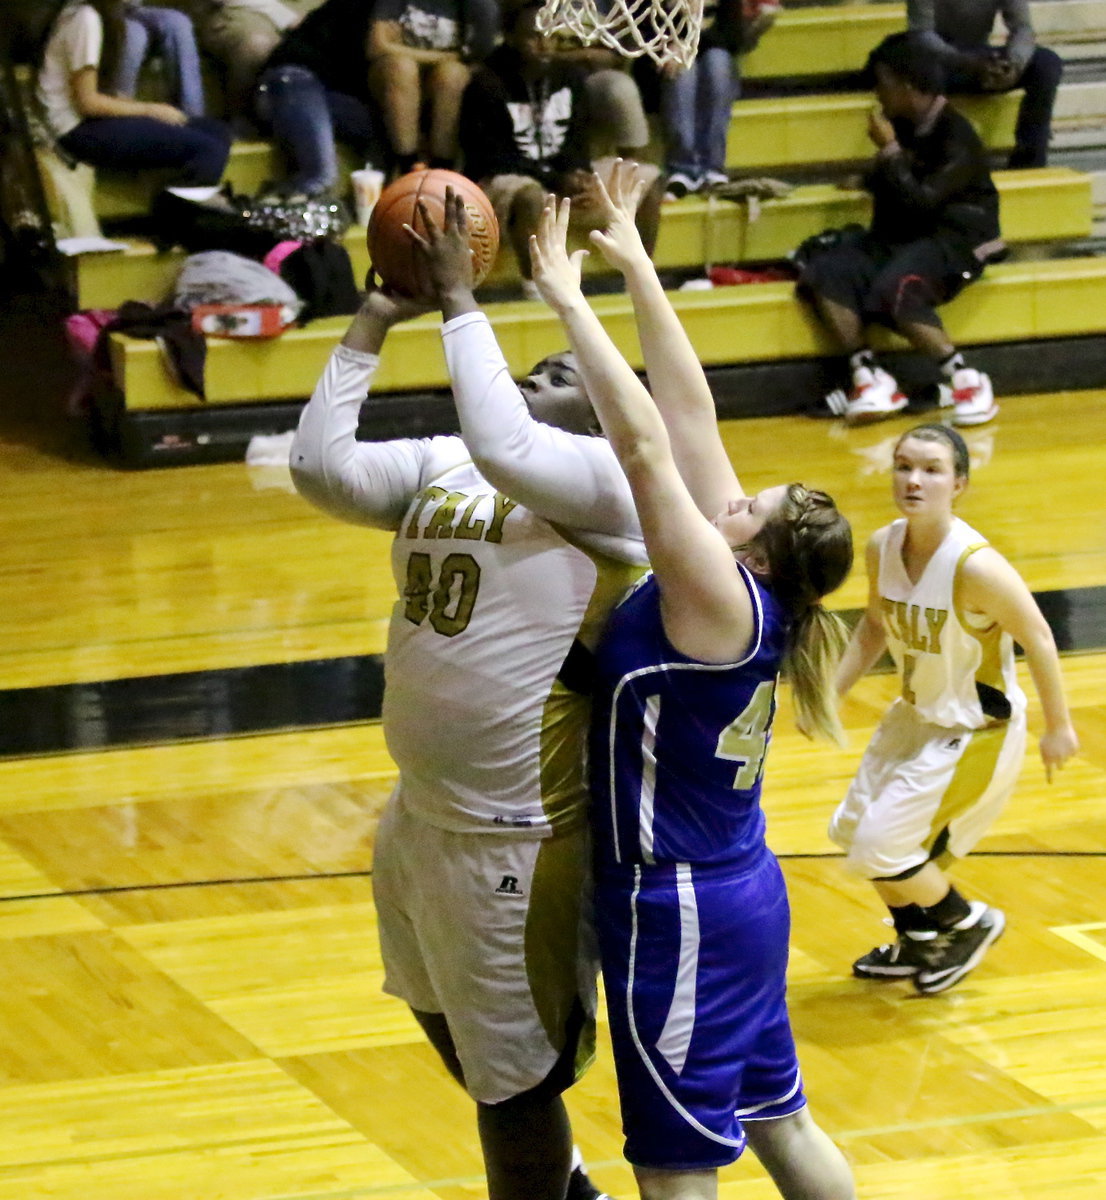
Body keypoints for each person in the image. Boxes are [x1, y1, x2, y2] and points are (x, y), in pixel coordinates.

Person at [288, 194, 647, 1200]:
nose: (540, 375)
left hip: (514, 833)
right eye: (538, 367)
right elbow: (320, 469)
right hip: (417, 814)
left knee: (514, 1083)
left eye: (567, 374)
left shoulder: (611, 482)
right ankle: (569, 1187)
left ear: (613, 414)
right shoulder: (451, 462)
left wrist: (457, 298)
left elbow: (506, 445)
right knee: (449, 1026)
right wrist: (373, 316)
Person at [526, 164, 858, 1200]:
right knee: (781, 1123)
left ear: (753, 552)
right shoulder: (752, 590)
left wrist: (567, 297)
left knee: (673, 1169)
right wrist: (633, 261)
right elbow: (690, 414)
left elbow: (643, 444)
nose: (730, 499)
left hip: (677, 908)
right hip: (739, 892)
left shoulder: (714, 595)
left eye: (746, 509)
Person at [831, 422, 1080, 994]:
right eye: (904, 466)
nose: (914, 480)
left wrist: (1059, 727)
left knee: (882, 846)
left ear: (959, 484)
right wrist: (833, 693)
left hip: (974, 728)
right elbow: (874, 626)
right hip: (914, 717)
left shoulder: (975, 567)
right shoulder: (883, 546)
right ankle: (918, 938)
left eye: (931, 470)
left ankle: (969, 923)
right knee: (852, 832)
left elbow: (1039, 638)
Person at [798, 31, 1005, 428]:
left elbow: (922, 199)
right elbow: (901, 185)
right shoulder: (906, 125)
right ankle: (869, 377)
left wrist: (889, 152)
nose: (878, 94)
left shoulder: (958, 136)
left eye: (883, 84)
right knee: (827, 272)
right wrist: (869, 178)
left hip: (959, 239)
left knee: (898, 286)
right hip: (909, 237)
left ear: (908, 86)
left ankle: (966, 380)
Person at [459, 1, 661, 298]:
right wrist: (555, 179)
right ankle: (537, 290)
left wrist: (580, 176)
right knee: (529, 196)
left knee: (646, 179)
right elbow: (492, 158)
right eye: (533, 37)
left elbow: (577, 141)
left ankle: (640, 280)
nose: (545, 45)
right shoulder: (486, 82)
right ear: (510, 37)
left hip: (556, 179)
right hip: (504, 184)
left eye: (551, 36)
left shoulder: (569, 76)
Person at [35, 0, 231, 186]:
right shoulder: (85, 18)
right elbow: (87, 103)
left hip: (93, 121)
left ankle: (179, 196)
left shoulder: (102, 17)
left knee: (217, 132)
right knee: (208, 151)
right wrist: (150, 110)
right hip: (75, 131)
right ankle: (174, 207)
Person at [253, 0, 388, 199]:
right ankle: (270, 207)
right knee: (320, 177)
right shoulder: (372, 9)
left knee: (388, 139)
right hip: (291, 80)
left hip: (333, 94)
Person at [907, 0, 1063, 169]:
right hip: (941, 62)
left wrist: (1013, 64)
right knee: (917, 68)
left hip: (980, 56)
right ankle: (928, 157)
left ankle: (1029, 161)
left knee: (1047, 63)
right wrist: (964, 61)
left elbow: (1023, 28)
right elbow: (922, 36)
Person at [366, 0, 499, 174]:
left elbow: (476, 61)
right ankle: (407, 164)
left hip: (442, 85)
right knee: (402, 68)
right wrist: (445, 56)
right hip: (392, 80)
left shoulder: (479, 5)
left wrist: (398, 48)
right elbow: (376, 47)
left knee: (452, 74)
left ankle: (443, 167)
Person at [657, 0, 744, 199]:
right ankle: (682, 168)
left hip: (712, 52)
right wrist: (675, 46)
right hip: (665, 60)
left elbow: (732, 37)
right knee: (683, 72)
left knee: (718, 63)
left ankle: (713, 166)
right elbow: (644, 35)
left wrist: (690, 43)